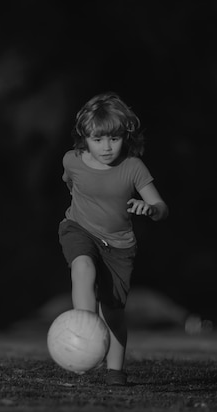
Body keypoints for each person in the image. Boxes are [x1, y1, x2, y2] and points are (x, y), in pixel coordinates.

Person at [58, 92, 168, 386]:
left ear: (125, 136)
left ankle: (115, 371)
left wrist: (151, 208)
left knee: (114, 313)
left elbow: (161, 207)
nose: (106, 147)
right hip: (79, 228)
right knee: (82, 267)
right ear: (84, 137)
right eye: (97, 139)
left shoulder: (133, 168)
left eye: (114, 139)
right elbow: (72, 185)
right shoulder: (72, 160)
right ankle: (85, 332)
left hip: (119, 247)